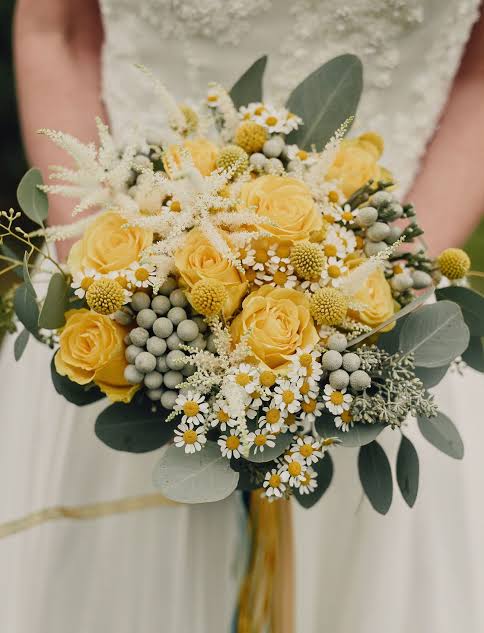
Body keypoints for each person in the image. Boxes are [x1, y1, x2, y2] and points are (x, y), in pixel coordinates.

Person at [1, 1, 483, 632]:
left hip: (383, 319)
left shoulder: (383, 296)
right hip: (125, 297)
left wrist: (384, 282)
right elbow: (55, 30)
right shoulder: (120, 293)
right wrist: (112, 276)